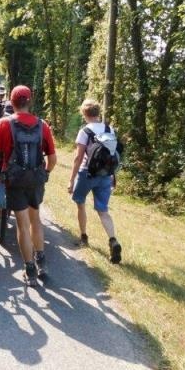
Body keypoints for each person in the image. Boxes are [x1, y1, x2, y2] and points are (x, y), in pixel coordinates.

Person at [0, 85, 56, 287]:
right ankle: (42, 262)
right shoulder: (43, 125)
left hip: (14, 179)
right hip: (35, 179)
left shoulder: (4, 124)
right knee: (35, 220)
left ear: (11, 102)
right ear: (30, 101)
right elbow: (52, 158)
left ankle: (29, 269)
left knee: (22, 224)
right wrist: (45, 173)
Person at [67, 99, 122, 264]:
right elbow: (112, 154)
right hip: (105, 175)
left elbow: (78, 157)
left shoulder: (85, 131)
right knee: (103, 211)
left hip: (87, 173)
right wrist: (113, 175)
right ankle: (113, 240)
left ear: (84, 114)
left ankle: (83, 237)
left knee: (80, 203)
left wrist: (71, 180)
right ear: (98, 113)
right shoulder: (109, 129)